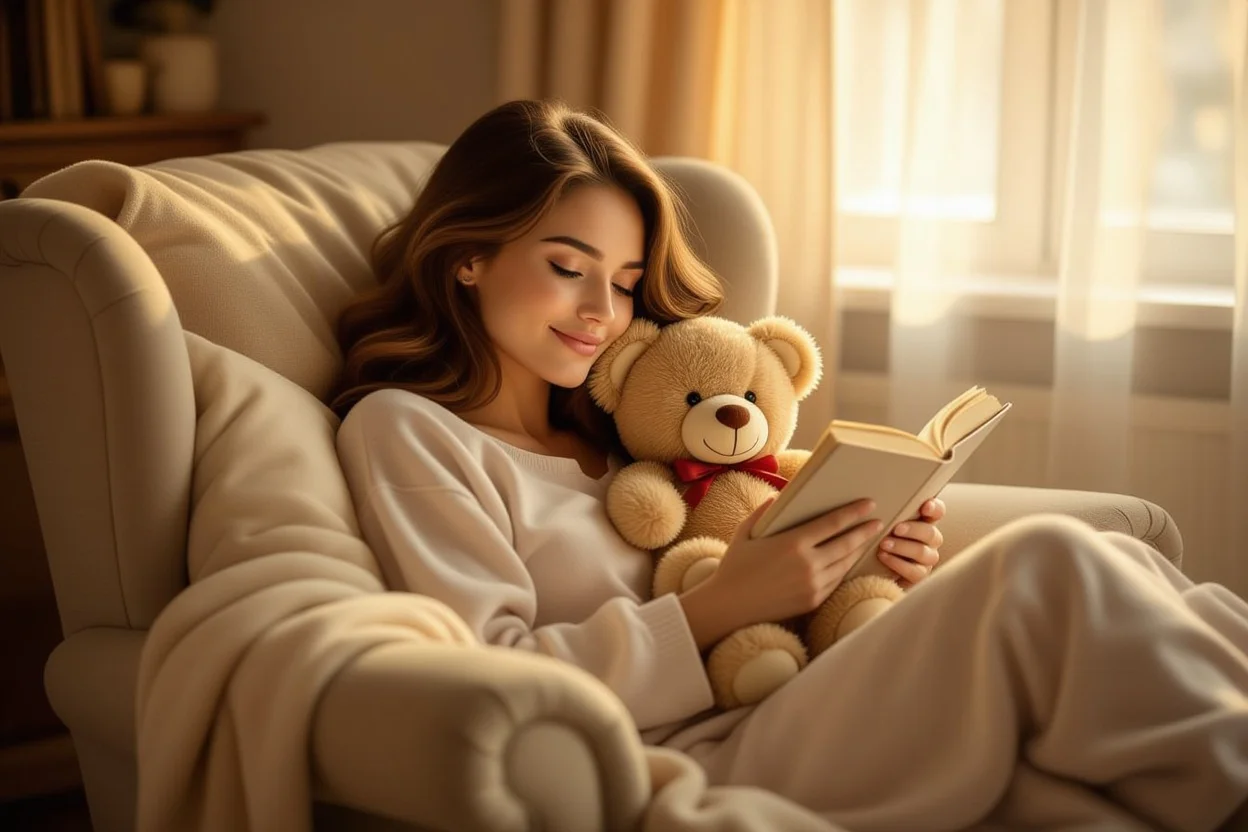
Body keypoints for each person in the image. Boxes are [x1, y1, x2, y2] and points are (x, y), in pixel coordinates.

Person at [331, 99, 1248, 831]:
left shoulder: (627, 425)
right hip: (707, 747)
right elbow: (488, 681)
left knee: (1123, 566)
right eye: (567, 265)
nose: (601, 311)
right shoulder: (409, 432)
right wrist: (718, 607)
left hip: (803, 685)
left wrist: (862, 554)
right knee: (1050, 563)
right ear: (469, 257)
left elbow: (737, 543)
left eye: (621, 279)